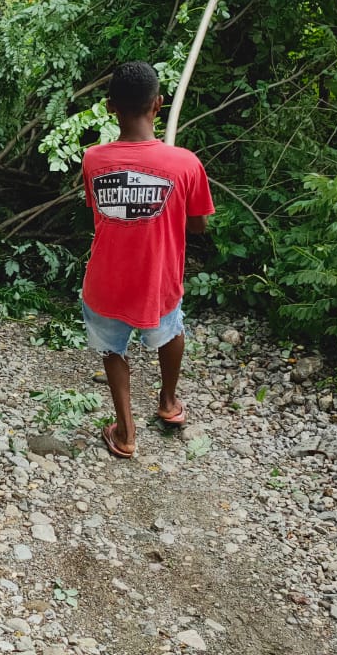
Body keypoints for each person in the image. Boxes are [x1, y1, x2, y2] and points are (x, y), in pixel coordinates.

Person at [81, 61, 214, 459]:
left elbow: (104, 214)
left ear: (109, 107)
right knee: (170, 332)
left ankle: (125, 433)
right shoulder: (186, 164)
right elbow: (199, 227)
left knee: (112, 350)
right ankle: (169, 403)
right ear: (158, 104)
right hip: (159, 282)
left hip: (106, 283)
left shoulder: (93, 160)